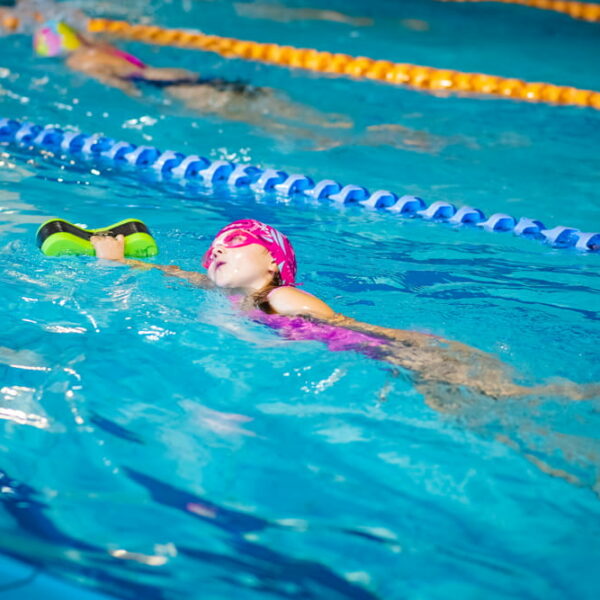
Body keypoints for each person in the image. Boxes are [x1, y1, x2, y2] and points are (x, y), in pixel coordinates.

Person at [90, 219, 599, 409]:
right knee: (474, 419)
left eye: (232, 242)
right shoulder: (232, 294)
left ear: (272, 261)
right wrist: (120, 261)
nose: (216, 251)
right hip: (376, 359)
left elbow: (351, 330)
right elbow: (175, 274)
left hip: (395, 354)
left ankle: (580, 395)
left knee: (509, 398)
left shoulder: (280, 299)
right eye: (213, 249)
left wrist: (421, 354)